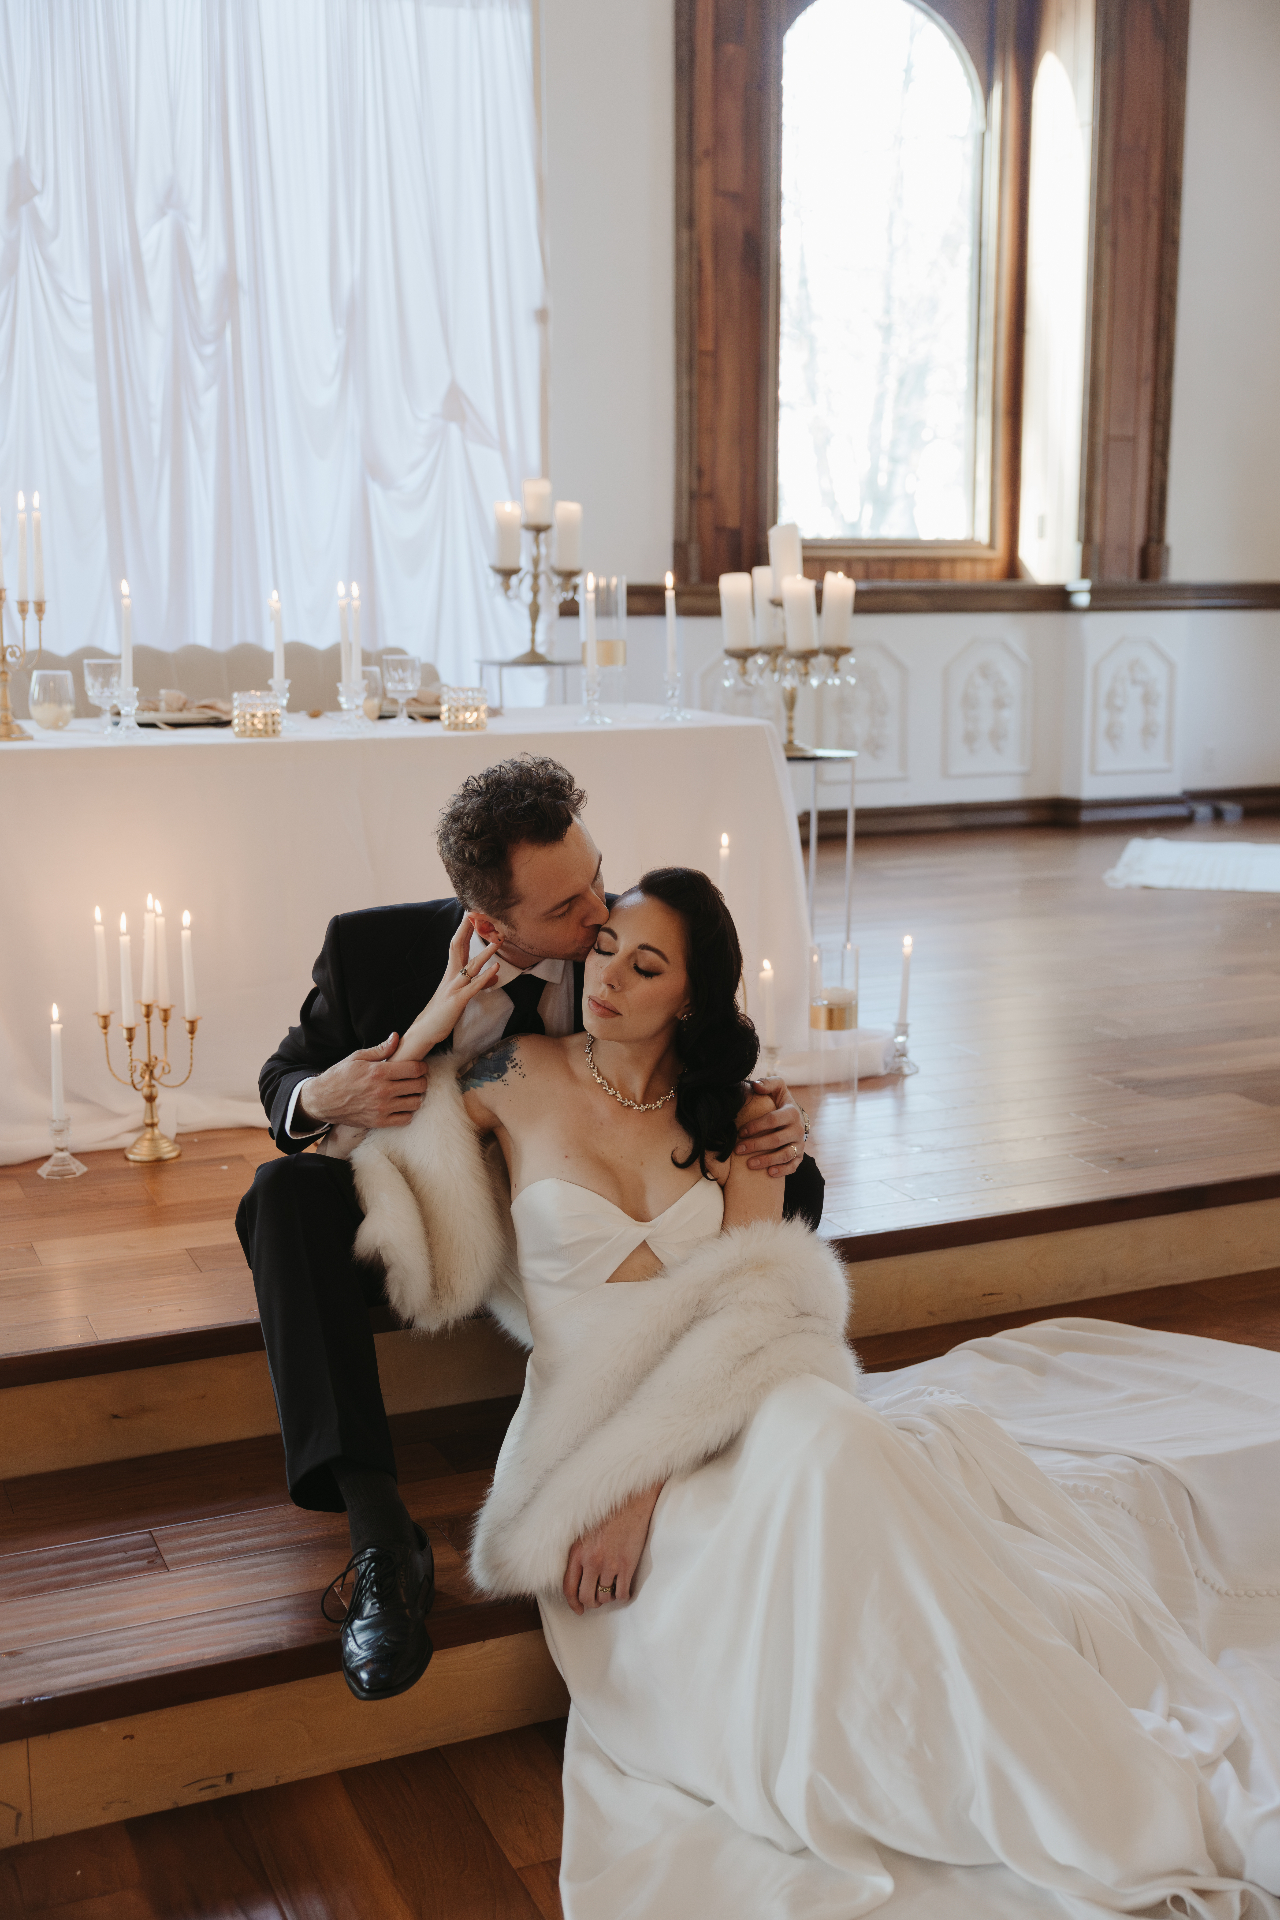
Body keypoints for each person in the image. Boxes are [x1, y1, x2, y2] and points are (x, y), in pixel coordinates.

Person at [343, 865, 1280, 1919]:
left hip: (728, 1400)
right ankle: (942, 1760)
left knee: (832, 1440)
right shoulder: (513, 1075)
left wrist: (637, 1488)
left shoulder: (741, 1117)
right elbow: (379, 1160)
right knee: (827, 1476)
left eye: (644, 966)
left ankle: (1025, 1755)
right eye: (603, 950)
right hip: (581, 1433)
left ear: (688, 999)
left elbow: (748, 1314)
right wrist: (435, 1018)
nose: (606, 977)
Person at [236, 755, 822, 1703]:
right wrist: (326, 1091)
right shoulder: (372, 954)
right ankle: (380, 1534)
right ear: (490, 922)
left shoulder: (626, 943)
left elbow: (753, 1171)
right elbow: (286, 1082)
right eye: (567, 911)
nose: (598, 918)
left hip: (595, 1220)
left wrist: (778, 1136)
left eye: (599, 876)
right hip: (446, 1202)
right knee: (281, 1200)